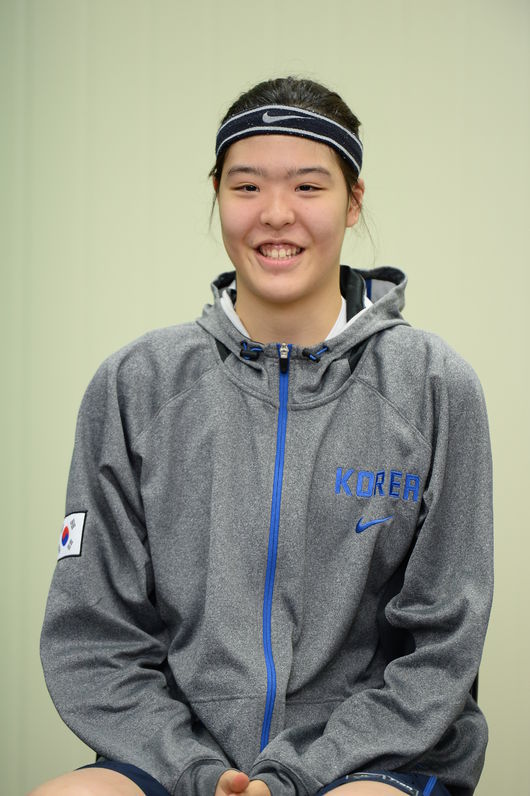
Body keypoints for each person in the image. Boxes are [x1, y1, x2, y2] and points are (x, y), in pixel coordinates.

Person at [32, 77, 493, 796]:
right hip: (176, 758)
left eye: (308, 186)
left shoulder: (434, 385)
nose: (276, 214)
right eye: (246, 187)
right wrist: (196, 770)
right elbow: (93, 635)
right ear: (217, 194)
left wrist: (294, 778)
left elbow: (442, 646)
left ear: (353, 201)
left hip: (371, 761)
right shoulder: (134, 384)